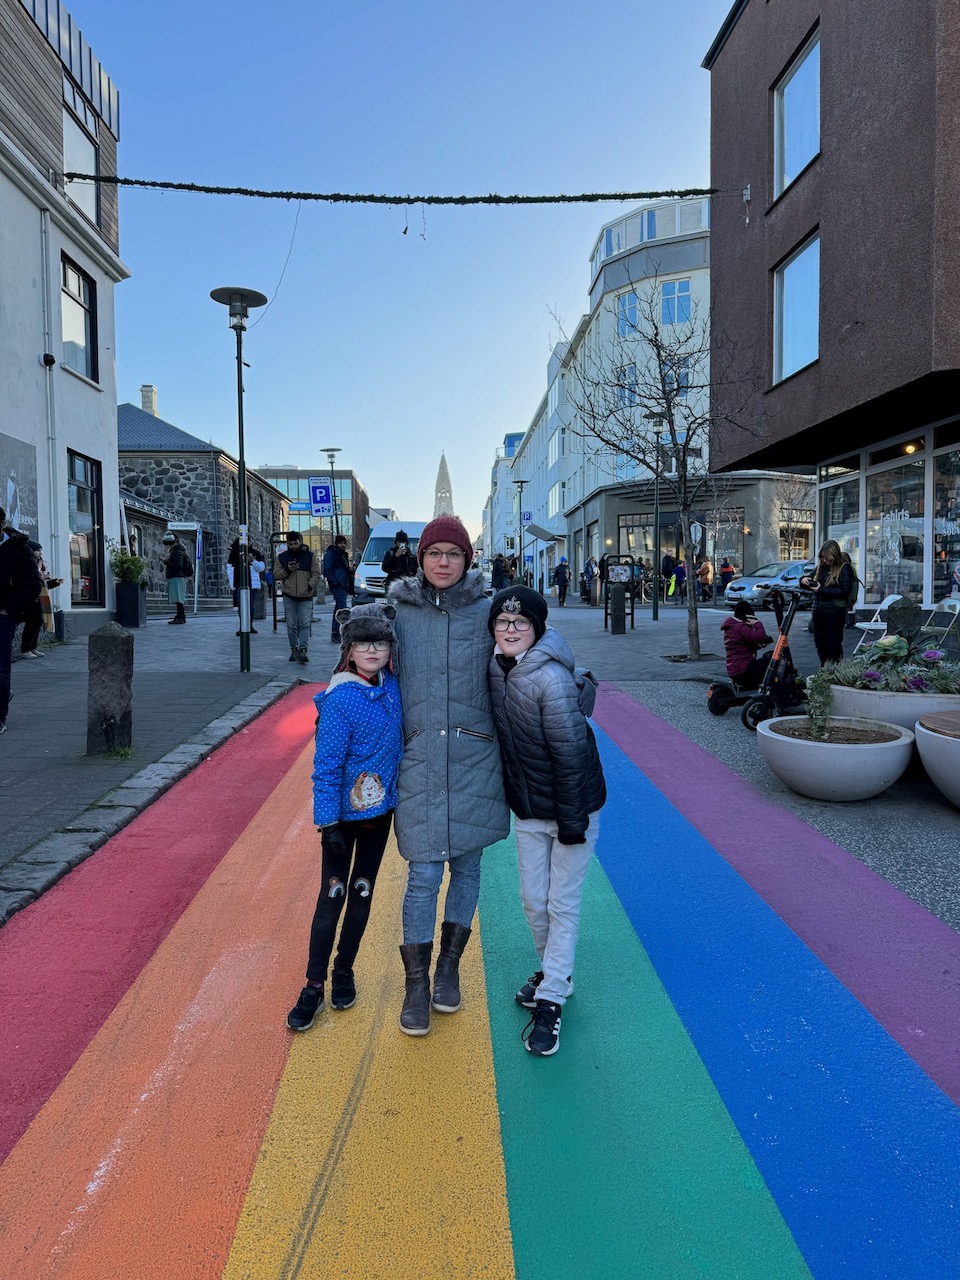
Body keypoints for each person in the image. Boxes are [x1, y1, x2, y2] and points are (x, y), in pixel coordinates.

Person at [388, 514, 509, 1037]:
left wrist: (570, 682)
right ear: (421, 559)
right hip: (418, 758)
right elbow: (362, 660)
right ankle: (416, 984)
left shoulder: (490, 611)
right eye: (434, 553)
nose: (443, 562)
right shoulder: (398, 611)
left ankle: (448, 970)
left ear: (467, 559)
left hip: (475, 758)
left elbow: (530, 647)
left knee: (466, 867)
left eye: (453, 554)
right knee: (422, 875)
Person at [486, 585, 606, 1057]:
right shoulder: (497, 668)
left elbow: (572, 755)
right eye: (502, 622)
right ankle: (556, 970)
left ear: (537, 629)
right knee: (533, 900)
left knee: (561, 903)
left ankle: (552, 995)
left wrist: (572, 821)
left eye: (520, 623)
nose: (510, 630)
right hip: (532, 807)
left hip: (574, 807)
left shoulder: (550, 681)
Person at [286, 602, 403, 1031]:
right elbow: (327, 766)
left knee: (362, 893)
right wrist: (328, 822)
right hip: (342, 821)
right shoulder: (340, 700)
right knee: (331, 898)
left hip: (379, 816)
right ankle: (313, 984)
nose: (372, 651)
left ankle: (344, 970)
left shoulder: (392, 687)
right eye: (363, 644)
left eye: (380, 643)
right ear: (348, 650)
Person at [0, 509, 43, 735]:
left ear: (2, 523)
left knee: (0, 667)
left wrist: (9, 609)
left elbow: (32, 585)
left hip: (3, 616)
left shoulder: (17, 549)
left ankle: (0, 715)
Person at [801, 539, 855, 665]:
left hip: (834, 611)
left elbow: (844, 590)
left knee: (833, 644)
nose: (824, 561)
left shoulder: (844, 567)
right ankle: (825, 670)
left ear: (834, 555)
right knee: (820, 644)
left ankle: (835, 671)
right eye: (822, 558)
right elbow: (808, 578)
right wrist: (804, 580)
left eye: (827, 558)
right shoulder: (821, 567)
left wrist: (821, 590)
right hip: (818, 610)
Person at [274, 531, 320, 664]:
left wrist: (310, 586)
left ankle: (303, 649)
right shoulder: (282, 557)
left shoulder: (310, 556)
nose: (293, 546)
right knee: (291, 625)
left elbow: (316, 573)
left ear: (300, 541)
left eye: (295, 543)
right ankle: (294, 649)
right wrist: (287, 570)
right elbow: (276, 574)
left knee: (305, 623)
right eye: (290, 544)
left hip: (305, 595)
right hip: (289, 595)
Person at [19, 543, 61, 658]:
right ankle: (25, 649)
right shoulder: (27, 564)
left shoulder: (40, 565)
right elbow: (28, 582)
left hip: (41, 597)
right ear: (31, 551)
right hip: (31, 598)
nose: (40, 553)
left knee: (38, 622)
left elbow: (42, 584)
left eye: (40, 551)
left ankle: (33, 647)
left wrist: (53, 582)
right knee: (30, 623)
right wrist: (40, 578)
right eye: (37, 550)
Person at [721, 600, 774, 687]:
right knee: (772, 663)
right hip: (743, 670)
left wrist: (757, 646)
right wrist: (757, 623)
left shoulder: (731, 627)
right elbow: (761, 636)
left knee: (766, 658)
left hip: (734, 669)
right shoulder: (740, 627)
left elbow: (740, 646)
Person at [323, 534, 353, 643]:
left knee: (338, 610)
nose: (343, 545)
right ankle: (341, 633)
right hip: (338, 586)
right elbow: (327, 570)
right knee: (343, 610)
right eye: (341, 543)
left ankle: (336, 633)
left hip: (342, 585)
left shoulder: (342, 555)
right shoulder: (331, 554)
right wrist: (335, 582)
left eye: (344, 543)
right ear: (336, 543)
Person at [161, 531, 192, 625]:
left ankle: (180, 617)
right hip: (177, 576)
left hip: (177, 577)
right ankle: (180, 616)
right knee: (178, 598)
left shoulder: (177, 551)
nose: (166, 547)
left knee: (179, 599)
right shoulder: (178, 551)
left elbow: (178, 565)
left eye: (167, 545)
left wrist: (166, 562)